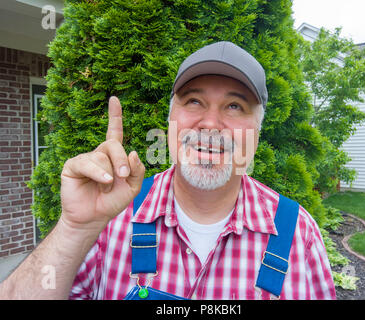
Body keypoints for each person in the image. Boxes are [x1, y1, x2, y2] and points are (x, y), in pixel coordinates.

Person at [0, 41, 336, 300]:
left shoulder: (298, 236)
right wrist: (74, 227)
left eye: (235, 106)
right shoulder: (111, 219)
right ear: (170, 120)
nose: (210, 123)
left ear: (257, 132)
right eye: (193, 101)